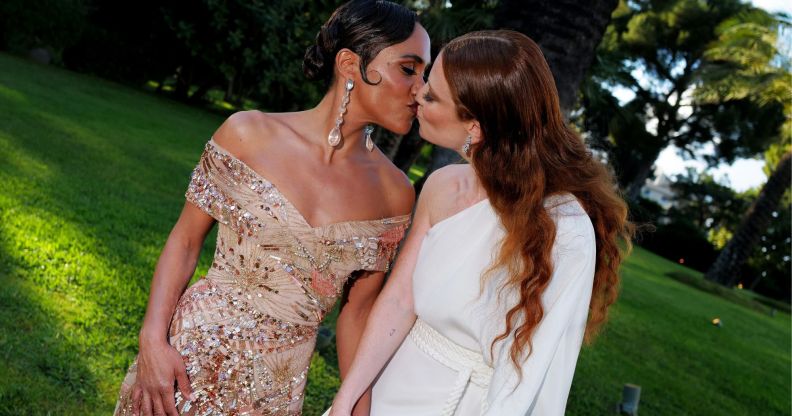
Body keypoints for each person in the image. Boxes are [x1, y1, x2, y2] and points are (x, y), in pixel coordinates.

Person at [113, 1, 431, 415]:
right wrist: (152, 340)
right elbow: (186, 241)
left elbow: (358, 311)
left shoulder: (395, 192)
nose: (421, 89)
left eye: (424, 74)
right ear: (350, 64)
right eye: (409, 69)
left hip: (274, 390)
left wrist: (357, 404)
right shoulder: (249, 133)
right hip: (184, 366)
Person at [328, 30, 633, 416]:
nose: (418, 94)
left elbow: (530, 371)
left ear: (475, 126)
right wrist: (349, 396)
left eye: (433, 95)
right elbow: (399, 300)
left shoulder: (563, 227)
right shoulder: (441, 186)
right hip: (395, 381)